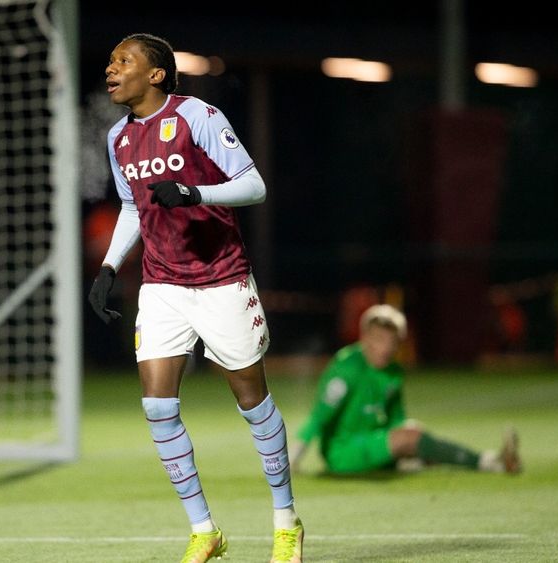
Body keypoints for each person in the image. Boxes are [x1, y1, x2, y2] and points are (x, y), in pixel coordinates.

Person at [87, 33, 303, 563]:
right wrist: (109, 267)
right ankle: (205, 530)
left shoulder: (197, 117)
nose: (112, 69)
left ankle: (286, 522)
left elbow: (253, 186)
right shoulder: (119, 138)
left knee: (251, 401)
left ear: (156, 73)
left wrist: (194, 193)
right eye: (111, 61)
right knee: (158, 407)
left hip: (222, 279)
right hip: (163, 287)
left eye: (124, 61)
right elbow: (133, 208)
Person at [290, 304, 522, 476]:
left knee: (414, 432)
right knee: (411, 438)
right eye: (379, 339)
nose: (385, 348)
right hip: (343, 452)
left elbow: (396, 418)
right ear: (365, 338)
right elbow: (319, 417)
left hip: (373, 440)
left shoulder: (393, 372)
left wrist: (407, 440)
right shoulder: (347, 368)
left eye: (392, 342)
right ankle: (488, 462)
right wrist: (292, 459)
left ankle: (493, 461)